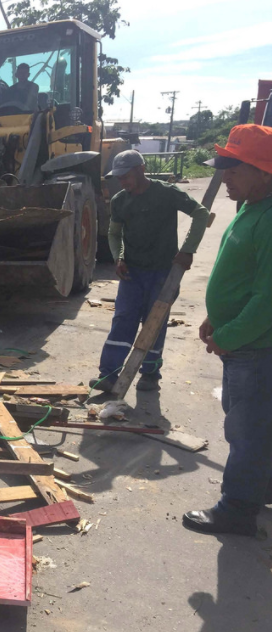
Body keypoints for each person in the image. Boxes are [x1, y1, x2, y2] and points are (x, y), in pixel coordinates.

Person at [184, 124, 272, 536]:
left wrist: (229, 336)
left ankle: (237, 509)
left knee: (247, 431)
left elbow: (266, 299)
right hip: (241, 344)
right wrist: (216, 318)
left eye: (233, 169)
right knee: (249, 424)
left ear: (263, 171)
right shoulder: (251, 209)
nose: (224, 178)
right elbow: (237, 276)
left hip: (254, 349)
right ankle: (260, 488)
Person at [90, 150, 209, 392]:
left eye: (126, 176)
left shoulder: (166, 193)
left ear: (141, 170)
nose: (123, 182)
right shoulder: (120, 200)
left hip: (163, 272)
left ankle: (150, 373)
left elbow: (201, 213)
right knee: (123, 320)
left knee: (155, 321)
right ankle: (109, 374)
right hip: (132, 273)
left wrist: (188, 250)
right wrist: (118, 257)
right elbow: (114, 233)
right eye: (119, 178)